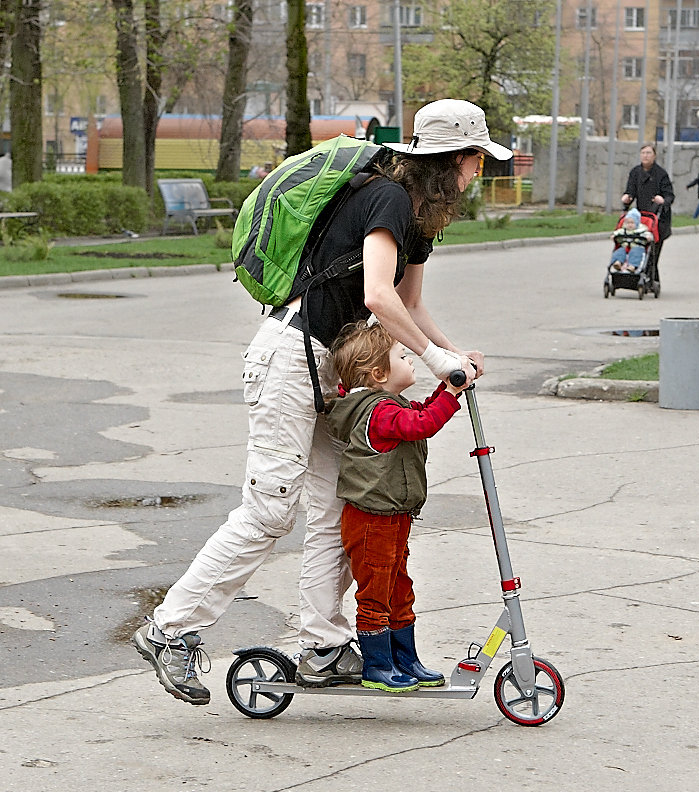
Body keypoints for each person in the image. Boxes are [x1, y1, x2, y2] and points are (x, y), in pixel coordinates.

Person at [132, 98, 510, 706]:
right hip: (288, 358)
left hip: (329, 370)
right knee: (270, 510)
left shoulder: (417, 220)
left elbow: (410, 308)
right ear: (452, 159)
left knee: (341, 503)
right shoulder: (387, 197)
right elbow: (378, 296)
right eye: (475, 161)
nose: (478, 174)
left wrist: (454, 352)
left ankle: (324, 644)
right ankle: (169, 630)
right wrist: (438, 364)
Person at [325, 320, 469, 692]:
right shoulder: (380, 413)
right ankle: (377, 665)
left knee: (400, 586)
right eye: (403, 356)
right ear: (378, 373)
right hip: (372, 519)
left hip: (393, 516)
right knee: (376, 589)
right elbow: (420, 424)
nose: (411, 361)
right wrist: (451, 393)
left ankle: (405, 658)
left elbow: (421, 411)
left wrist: (447, 387)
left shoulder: (389, 404)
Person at [621, 143, 673, 245]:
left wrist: (662, 200)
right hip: (641, 215)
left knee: (653, 250)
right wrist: (627, 198)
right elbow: (630, 191)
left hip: (658, 216)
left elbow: (670, 195)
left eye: (648, 153)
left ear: (654, 156)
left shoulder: (661, 173)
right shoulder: (635, 172)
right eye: (643, 153)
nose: (645, 155)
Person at [609, 208, 654, 273]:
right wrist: (613, 235)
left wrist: (648, 237)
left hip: (637, 247)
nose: (630, 225)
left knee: (636, 253)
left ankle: (632, 266)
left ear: (637, 223)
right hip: (625, 247)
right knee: (619, 251)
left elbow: (648, 234)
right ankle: (618, 262)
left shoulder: (641, 230)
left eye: (632, 223)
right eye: (628, 223)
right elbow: (617, 233)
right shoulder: (623, 230)